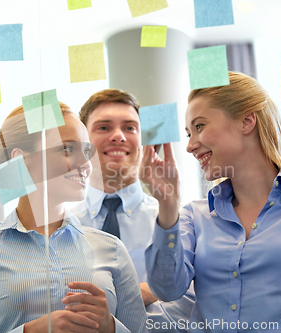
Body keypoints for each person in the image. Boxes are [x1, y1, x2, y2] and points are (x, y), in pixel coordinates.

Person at [143, 72, 281, 332]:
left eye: (199, 127)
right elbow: (167, 288)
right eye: (188, 133)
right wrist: (167, 205)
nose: (189, 146)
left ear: (246, 121)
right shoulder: (193, 216)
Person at [0, 103, 147, 332]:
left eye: (86, 152)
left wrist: (111, 327)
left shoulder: (112, 249)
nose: (86, 165)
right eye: (67, 149)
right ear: (21, 159)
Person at [72, 89, 195, 332]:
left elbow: (187, 309)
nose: (118, 136)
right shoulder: (62, 226)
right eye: (104, 128)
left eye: (130, 128)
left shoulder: (177, 220)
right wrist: (147, 293)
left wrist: (118, 309)